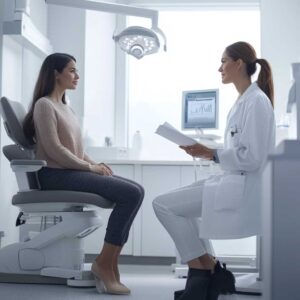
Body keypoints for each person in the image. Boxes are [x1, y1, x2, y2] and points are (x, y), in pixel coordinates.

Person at [153, 41, 275, 300]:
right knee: (180, 211)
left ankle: (202, 269)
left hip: (243, 187)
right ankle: (209, 271)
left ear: (238, 64)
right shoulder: (244, 101)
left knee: (162, 205)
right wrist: (206, 149)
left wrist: (212, 153)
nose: (219, 68)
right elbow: (240, 147)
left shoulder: (256, 103)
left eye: (223, 61)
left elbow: (253, 157)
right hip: (232, 180)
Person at [23, 53, 144, 295]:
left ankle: (109, 262)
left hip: (69, 170)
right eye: (72, 70)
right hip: (53, 175)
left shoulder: (67, 107)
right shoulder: (44, 105)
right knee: (129, 193)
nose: (77, 76)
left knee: (136, 190)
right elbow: (55, 149)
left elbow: (78, 148)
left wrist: (96, 163)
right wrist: (89, 168)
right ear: (56, 73)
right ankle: (104, 264)